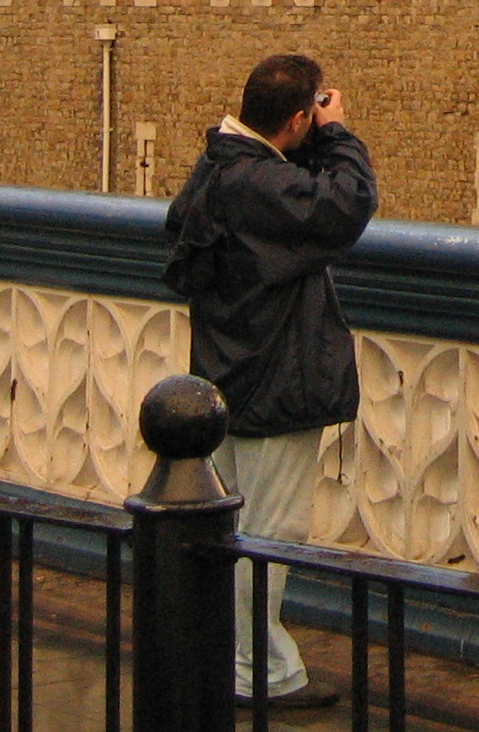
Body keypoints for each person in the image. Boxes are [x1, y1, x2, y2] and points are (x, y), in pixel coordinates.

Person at [165, 52, 377, 715]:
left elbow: (281, 213)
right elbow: (345, 207)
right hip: (274, 378)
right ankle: (261, 673)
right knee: (270, 533)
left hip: (224, 373)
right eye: (309, 114)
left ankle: (228, 658)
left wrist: (307, 143)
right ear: (295, 118)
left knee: (229, 529)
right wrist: (339, 135)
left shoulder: (221, 165)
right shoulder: (256, 182)